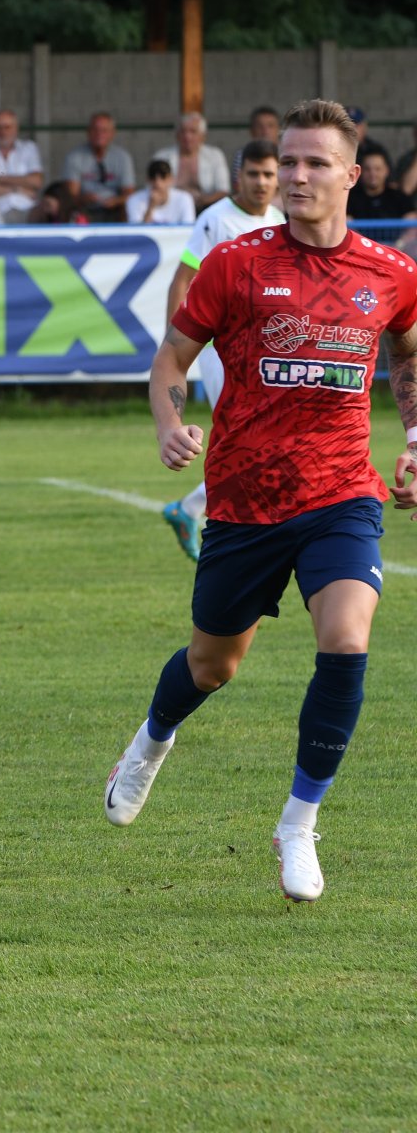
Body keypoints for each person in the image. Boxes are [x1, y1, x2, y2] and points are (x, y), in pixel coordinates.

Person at [109, 99, 417, 904]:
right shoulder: (238, 263)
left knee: (348, 641)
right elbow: (171, 357)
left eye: (316, 163)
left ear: (353, 174)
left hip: (343, 493)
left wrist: (415, 441)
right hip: (245, 502)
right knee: (214, 666)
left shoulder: (392, 274)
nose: (297, 175)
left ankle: (298, 825)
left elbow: (409, 362)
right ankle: (152, 737)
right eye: (290, 161)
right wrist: (171, 420)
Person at [155, 139, 287, 563]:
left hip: (267, 350)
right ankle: (224, 521)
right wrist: (173, 341)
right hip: (219, 347)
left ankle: (190, 509)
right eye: (254, 174)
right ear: (239, 176)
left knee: (263, 438)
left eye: (269, 174)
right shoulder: (216, 220)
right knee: (246, 436)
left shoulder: (281, 218)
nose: (262, 182)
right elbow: (183, 277)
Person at [62, 112, 136, 220]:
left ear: (112, 133)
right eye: (95, 130)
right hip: (84, 210)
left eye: (104, 130)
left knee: (129, 207)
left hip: (115, 209)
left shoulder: (123, 157)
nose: (99, 134)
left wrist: (115, 201)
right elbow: (70, 195)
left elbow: (129, 193)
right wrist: (84, 199)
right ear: (88, 132)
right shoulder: (74, 157)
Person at [152, 113, 230, 211]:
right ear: (177, 135)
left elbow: (223, 191)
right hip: (171, 211)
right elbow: (152, 189)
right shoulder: (161, 157)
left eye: (193, 131)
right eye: (183, 131)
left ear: (203, 136)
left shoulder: (215, 156)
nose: (187, 136)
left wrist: (204, 200)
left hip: (206, 209)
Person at [125, 159, 197, 225]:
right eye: (153, 177)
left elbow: (188, 230)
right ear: (147, 179)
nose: (158, 183)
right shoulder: (134, 200)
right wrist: (151, 207)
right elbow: (137, 234)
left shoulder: (184, 199)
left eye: (163, 177)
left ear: (171, 179)